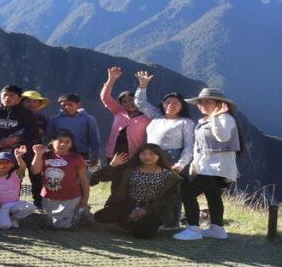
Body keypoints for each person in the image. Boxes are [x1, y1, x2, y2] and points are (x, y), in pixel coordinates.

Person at [174, 88, 240, 241]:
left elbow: (223, 137)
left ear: (220, 104)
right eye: (200, 102)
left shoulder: (225, 118)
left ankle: (193, 229)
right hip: (208, 166)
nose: (202, 104)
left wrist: (216, 116)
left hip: (216, 167)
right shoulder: (206, 119)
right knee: (213, 196)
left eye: (207, 101)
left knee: (188, 192)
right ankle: (217, 229)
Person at [134, 70, 195, 230]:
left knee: (171, 191)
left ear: (182, 106)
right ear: (162, 104)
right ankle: (147, 217)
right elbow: (140, 103)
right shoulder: (156, 116)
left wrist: (181, 164)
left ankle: (171, 222)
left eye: (175, 103)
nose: (170, 105)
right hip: (149, 156)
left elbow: (189, 147)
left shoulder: (185, 123)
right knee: (148, 187)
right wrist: (143, 85)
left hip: (171, 159)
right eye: (167, 102)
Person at [92, 144, 182, 239]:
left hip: (153, 209)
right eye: (143, 153)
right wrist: (112, 165)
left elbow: (170, 200)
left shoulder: (169, 175)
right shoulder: (129, 169)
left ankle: (142, 224)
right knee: (100, 216)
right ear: (138, 155)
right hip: (129, 204)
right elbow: (101, 178)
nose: (147, 157)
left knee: (142, 234)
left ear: (159, 155)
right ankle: (129, 222)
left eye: (152, 154)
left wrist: (146, 210)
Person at [31, 130, 91, 229]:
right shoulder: (45, 155)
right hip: (48, 196)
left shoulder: (76, 158)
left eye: (67, 142)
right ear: (52, 141)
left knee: (62, 226)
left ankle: (81, 212)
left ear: (72, 144)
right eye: (60, 141)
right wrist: (38, 154)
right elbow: (35, 171)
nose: (63, 144)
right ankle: (74, 214)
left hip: (70, 197)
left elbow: (84, 180)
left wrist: (85, 198)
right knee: (50, 224)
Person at [100, 67, 150, 160]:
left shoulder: (147, 117)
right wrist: (111, 80)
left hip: (134, 157)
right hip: (113, 155)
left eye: (131, 100)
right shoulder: (119, 111)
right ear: (121, 104)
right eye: (124, 101)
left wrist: (143, 84)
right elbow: (105, 98)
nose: (129, 103)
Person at [0, 148, 36, 229]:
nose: (3, 165)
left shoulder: (15, 175)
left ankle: (13, 219)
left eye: (7, 162)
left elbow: (23, 168)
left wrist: (18, 157)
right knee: (4, 226)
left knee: (31, 207)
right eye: (0, 162)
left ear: (13, 164)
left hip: (13, 204)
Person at [45, 94, 101, 166]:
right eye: (64, 105)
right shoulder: (54, 120)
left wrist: (95, 155)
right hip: (59, 154)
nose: (67, 107)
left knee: (80, 175)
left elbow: (94, 138)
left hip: (81, 154)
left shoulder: (88, 119)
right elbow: (48, 137)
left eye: (70, 104)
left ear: (78, 104)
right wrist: (44, 151)